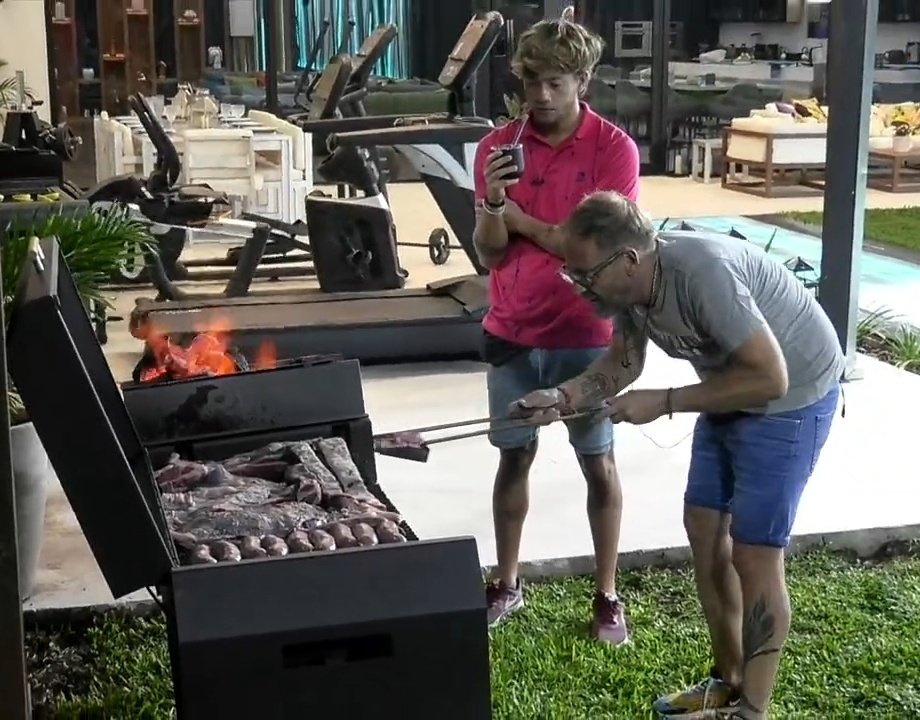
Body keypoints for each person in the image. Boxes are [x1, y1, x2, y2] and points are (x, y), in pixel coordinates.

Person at [510, 191, 845, 718]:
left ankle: (752, 711)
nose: (580, 286)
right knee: (704, 528)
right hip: (732, 387)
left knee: (753, 553)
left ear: (627, 260)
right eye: (572, 273)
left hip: (792, 397)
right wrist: (562, 397)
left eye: (586, 274)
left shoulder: (702, 275)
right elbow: (622, 363)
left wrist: (665, 402)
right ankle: (728, 681)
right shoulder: (629, 291)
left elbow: (770, 378)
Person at [471, 19, 640, 644]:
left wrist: (525, 222)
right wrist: (496, 207)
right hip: (513, 330)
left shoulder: (614, 150)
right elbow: (490, 254)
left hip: (587, 334)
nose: (541, 96)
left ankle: (607, 594)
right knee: (513, 458)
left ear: (583, 81)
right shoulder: (498, 147)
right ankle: (507, 582)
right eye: (533, 82)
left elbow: (598, 250)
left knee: (598, 462)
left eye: (556, 83)